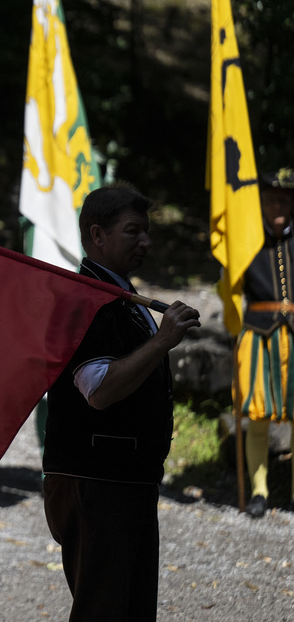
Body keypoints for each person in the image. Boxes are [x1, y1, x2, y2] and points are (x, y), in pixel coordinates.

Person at [42, 185, 200, 621]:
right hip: (94, 480)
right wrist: (163, 340)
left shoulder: (121, 298)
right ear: (98, 235)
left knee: (130, 610)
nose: (146, 242)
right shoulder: (83, 298)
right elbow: (100, 389)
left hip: (124, 480)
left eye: (147, 232)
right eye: (133, 232)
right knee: (104, 611)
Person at [235, 168, 294, 518]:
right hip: (258, 334)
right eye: (272, 197)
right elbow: (230, 285)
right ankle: (259, 492)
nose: (278, 204)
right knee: (257, 414)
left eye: (285, 199)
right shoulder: (244, 240)